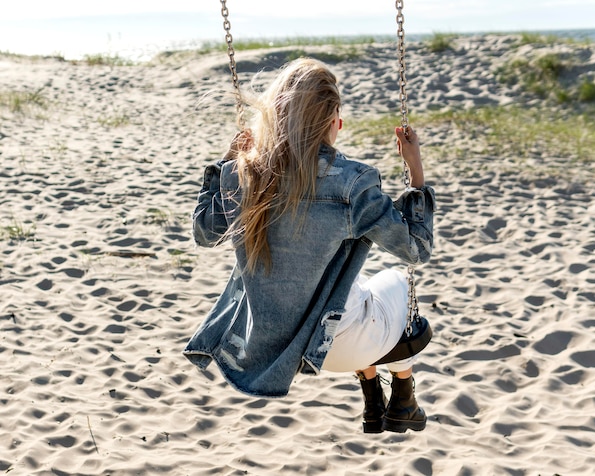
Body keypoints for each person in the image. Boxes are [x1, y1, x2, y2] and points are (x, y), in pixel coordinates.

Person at [183, 58, 436, 433]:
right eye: (338, 115)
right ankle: (403, 393)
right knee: (397, 280)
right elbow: (417, 249)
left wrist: (226, 161)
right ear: (332, 122)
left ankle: (372, 393)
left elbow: (204, 232)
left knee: (352, 281)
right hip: (348, 340)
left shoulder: (244, 172)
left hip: (295, 350)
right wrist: (416, 175)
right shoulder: (352, 183)